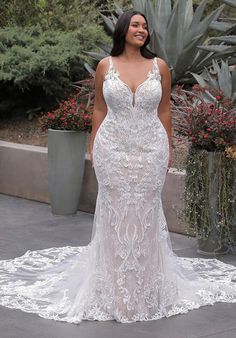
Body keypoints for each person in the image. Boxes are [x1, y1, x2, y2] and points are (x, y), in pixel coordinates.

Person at [0, 10, 236, 325]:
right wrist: (94, 145)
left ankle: (146, 290)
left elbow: (164, 110)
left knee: (145, 212)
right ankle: (112, 289)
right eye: (136, 25)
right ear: (123, 29)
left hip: (150, 149)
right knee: (115, 213)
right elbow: (99, 107)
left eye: (145, 26)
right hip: (112, 149)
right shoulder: (105, 67)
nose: (142, 30)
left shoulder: (159, 67)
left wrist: (167, 149)